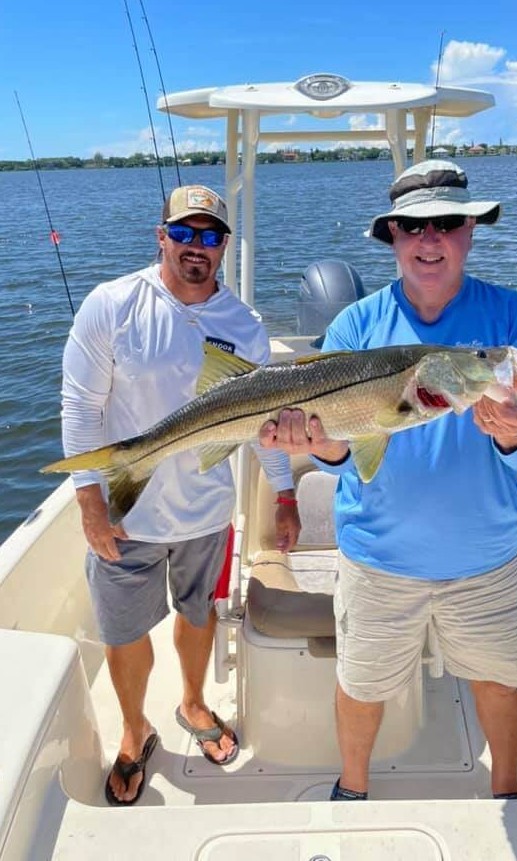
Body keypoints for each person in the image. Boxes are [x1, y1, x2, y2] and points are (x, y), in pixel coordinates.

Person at [259, 159, 517, 801]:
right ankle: (353, 787)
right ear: (391, 236)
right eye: (412, 226)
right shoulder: (355, 327)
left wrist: (514, 432)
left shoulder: (513, 320)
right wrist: (322, 448)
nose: (430, 240)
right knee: (361, 684)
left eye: (447, 224)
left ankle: (508, 788)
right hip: (377, 557)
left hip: (488, 557)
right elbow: (343, 456)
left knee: (500, 682)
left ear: (471, 232)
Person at [61, 184, 301, 805]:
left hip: (206, 513)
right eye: (185, 233)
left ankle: (193, 704)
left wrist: (283, 495)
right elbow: (81, 406)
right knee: (123, 632)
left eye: (211, 236)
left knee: (199, 616)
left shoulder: (244, 327)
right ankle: (134, 727)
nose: (198, 247)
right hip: (126, 513)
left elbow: (264, 423)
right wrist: (90, 501)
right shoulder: (111, 305)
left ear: (225, 246)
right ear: (161, 235)